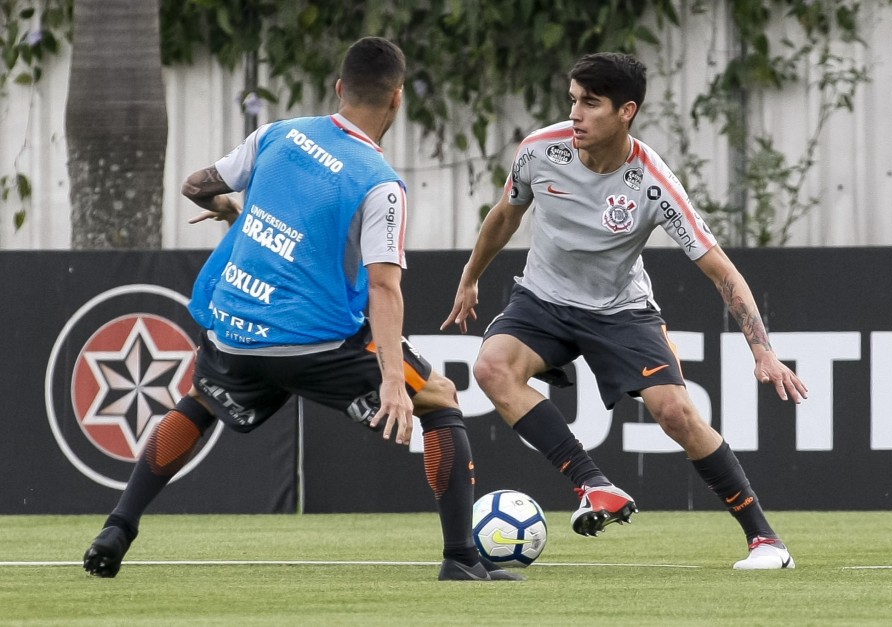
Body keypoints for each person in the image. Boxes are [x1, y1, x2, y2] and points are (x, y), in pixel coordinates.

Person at [83, 36, 519, 582]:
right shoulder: (380, 184)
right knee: (439, 397)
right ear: (398, 100)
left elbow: (196, 184)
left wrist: (228, 209)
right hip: (318, 345)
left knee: (198, 400)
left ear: (339, 89)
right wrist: (390, 380)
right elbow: (384, 288)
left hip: (234, 332)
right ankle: (461, 560)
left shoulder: (277, 134)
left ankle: (118, 527)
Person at [442, 52, 809, 570]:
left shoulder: (654, 183)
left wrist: (763, 352)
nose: (575, 114)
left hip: (620, 310)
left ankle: (766, 541)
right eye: (572, 100)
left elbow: (723, 271)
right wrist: (470, 276)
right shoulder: (539, 152)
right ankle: (593, 485)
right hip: (542, 300)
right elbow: (506, 214)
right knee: (491, 367)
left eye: (590, 103)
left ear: (626, 111)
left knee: (676, 414)